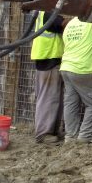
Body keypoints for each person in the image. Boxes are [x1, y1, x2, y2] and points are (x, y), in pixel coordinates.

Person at [60, 17, 92, 144]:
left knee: (71, 104)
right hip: (82, 69)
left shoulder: (69, 24)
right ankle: (86, 136)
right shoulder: (91, 22)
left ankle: (70, 137)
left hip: (66, 68)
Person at [30, 11, 68, 143]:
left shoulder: (43, 11)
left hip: (48, 57)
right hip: (48, 57)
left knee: (55, 97)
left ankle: (52, 131)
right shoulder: (48, 11)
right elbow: (61, 24)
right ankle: (43, 133)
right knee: (49, 97)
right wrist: (78, 18)